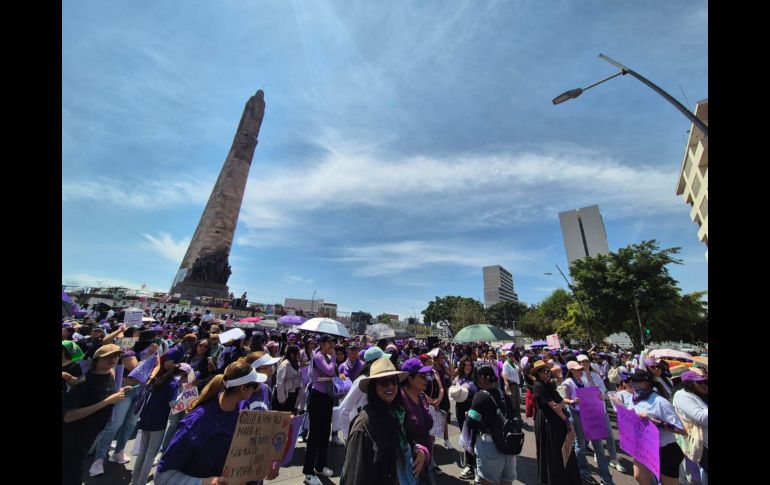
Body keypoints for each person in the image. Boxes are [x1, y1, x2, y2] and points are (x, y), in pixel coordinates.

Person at [155, 361, 278, 485]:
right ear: (243, 389)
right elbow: (162, 477)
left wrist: (264, 467)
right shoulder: (196, 422)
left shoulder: (243, 406)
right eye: (255, 385)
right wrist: (203, 482)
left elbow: (244, 454)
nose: (259, 388)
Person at [340, 357, 430, 485]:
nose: (390, 386)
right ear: (373, 387)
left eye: (393, 381)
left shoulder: (395, 412)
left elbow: (403, 442)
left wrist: (419, 451)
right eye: (383, 382)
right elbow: (354, 476)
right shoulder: (363, 425)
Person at [62, 344, 132, 485]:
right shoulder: (85, 384)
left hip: (90, 436)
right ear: (96, 361)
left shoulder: (111, 375)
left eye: (115, 356)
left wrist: (120, 391)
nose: (112, 359)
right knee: (71, 475)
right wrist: (106, 402)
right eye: (107, 357)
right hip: (73, 438)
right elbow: (68, 417)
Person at [131, 363, 194, 485]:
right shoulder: (174, 385)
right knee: (150, 454)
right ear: (184, 374)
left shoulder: (163, 380)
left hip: (146, 418)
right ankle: (142, 482)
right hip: (158, 422)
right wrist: (183, 392)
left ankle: (135, 481)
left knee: (142, 452)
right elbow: (172, 404)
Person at [628, 370, 686, 485]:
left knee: (669, 483)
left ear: (647, 383)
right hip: (645, 446)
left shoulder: (660, 402)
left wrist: (655, 422)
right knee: (639, 476)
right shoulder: (634, 397)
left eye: (636, 380)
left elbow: (682, 430)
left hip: (665, 449)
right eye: (631, 380)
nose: (632, 383)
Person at [561, 361, 614, 485]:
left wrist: (599, 395)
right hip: (577, 415)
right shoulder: (567, 383)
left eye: (581, 369)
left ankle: (606, 479)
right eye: (578, 369)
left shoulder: (585, 381)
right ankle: (584, 472)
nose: (581, 371)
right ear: (571, 371)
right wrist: (573, 401)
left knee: (599, 447)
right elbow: (563, 399)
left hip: (591, 414)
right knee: (581, 444)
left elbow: (595, 392)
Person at [530, 360, 582, 485]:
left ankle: (567, 478)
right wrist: (566, 420)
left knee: (563, 449)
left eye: (548, 371)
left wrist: (562, 407)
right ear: (538, 373)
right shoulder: (538, 385)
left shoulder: (547, 384)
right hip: (549, 420)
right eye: (544, 371)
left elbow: (562, 402)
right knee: (553, 451)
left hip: (556, 419)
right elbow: (555, 406)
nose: (548, 373)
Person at [464, 365, 518, 485]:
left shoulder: (480, 395)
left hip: (489, 446)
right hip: (508, 445)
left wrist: (468, 415)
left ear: (483, 378)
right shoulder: (503, 395)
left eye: (477, 377)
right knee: (507, 482)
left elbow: (471, 422)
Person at [577, 354, 626, 473]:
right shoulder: (577, 377)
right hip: (588, 411)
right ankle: (596, 451)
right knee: (593, 434)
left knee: (609, 434)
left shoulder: (595, 375)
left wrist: (601, 394)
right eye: (582, 362)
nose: (584, 364)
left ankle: (614, 458)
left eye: (586, 361)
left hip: (600, 409)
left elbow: (603, 390)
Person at [302, 334, 337, 485]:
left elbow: (332, 373)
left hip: (326, 397)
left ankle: (320, 465)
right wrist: (334, 358)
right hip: (317, 397)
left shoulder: (325, 356)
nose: (332, 346)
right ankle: (308, 472)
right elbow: (330, 371)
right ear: (322, 344)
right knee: (315, 434)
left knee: (324, 433)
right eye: (330, 343)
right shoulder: (318, 356)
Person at [337, 346, 390, 438]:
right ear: (375, 362)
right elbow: (343, 410)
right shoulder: (362, 381)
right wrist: (348, 437)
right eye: (383, 360)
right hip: (363, 434)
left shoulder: (377, 379)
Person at [400, 357, 435, 485]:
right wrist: (416, 449)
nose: (427, 379)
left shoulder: (421, 396)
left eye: (427, 376)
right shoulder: (400, 400)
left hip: (427, 460)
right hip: (411, 463)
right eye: (422, 376)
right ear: (410, 379)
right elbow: (399, 435)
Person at [673, 370, 708, 485]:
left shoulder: (700, 394)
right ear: (689, 383)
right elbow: (701, 417)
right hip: (702, 443)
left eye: (706, 381)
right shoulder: (682, 395)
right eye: (700, 382)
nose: (704, 384)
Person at [454, 356, 479, 480]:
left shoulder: (475, 379)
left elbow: (478, 396)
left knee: (472, 438)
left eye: (470, 365)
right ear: (462, 366)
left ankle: (473, 465)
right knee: (465, 437)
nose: (468, 367)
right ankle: (471, 465)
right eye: (466, 365)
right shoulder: (458, 378)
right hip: (459, 410)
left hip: (470, 410)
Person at [274, 345, 302, 413]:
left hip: (292, 395)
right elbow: (280, 382)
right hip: (285, 397)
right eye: (298, 353)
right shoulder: (285, 365)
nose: (299, 355)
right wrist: (281, 399)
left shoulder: (295, 363)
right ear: (292, 354)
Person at [501, 350, 521, 418]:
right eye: (509, 355)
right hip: (512, 385)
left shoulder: (513, 363)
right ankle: (514, 418)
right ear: (506, 356)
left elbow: (521, 370)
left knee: (517, 403)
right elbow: (504, 374)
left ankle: (518, 418)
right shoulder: (506, 363)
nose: (511, 356)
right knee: (513, 405)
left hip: (516, 385)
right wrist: (507, 384)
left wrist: (516, 362)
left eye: (512, 355)